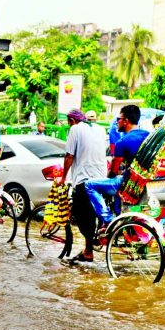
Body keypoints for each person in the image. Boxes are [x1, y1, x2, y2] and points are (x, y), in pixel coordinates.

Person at [83, 104, 151, 233]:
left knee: (89, 185)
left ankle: (108, 219)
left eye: (118, 119)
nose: (116, 122)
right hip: (144, 182)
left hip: (129, 185)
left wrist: (108, 178)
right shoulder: (148, 136)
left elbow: (113, 171)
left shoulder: (123, 142)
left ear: (125, 121)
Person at [60, 109, 107, 263]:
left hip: (85, 179)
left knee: (81, 214)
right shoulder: (100, 129)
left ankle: (88, 249)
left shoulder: (75, 129)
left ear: (72, 121)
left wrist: (63, 177)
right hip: (102, 178)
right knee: (93, 213)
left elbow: (69, 156)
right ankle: (90, 246)